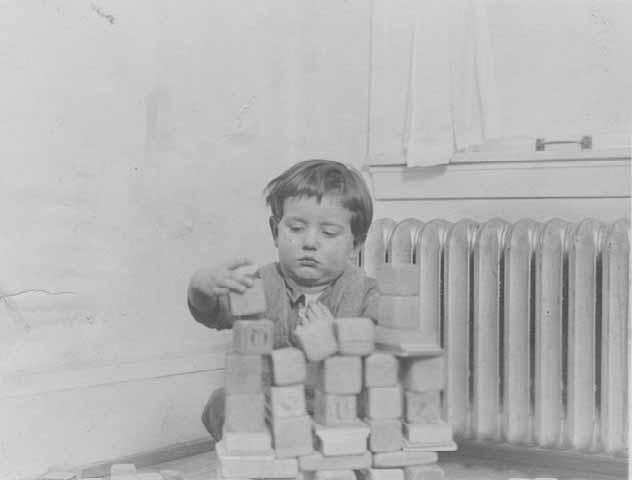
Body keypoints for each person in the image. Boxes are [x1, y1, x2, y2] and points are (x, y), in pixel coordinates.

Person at [187, 159, 379, 440]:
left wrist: (336, 342)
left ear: (356, 244)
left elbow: (382, 354)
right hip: (275, 409)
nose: (310, 242)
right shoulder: (260, 283)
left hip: (340, 410)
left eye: (328, 232)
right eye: (296, 228)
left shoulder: (365, 291)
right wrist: (200, 289)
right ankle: (267, 461)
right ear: (275, 231)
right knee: (222, 402)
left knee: (379, 413)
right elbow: (214, 314)